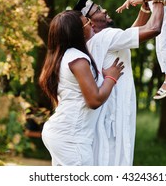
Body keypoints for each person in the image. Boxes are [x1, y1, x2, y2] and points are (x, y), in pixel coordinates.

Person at [73, 0, 164, 165]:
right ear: (90, 22)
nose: (104, 10)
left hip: (106, 118)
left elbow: (128, 37)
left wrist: (144, 9)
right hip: (113, 121)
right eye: (98, 10)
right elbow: (154, 28)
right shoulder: (107, 37)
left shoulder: (95, 42)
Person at [38, 10, 124, 166]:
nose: (91, 24)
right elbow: (94, 100)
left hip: (61, 133)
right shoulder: (78, 59)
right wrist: (111, 77)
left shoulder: (63, 56)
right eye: (87, 22)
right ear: (77, 32)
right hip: (71, 138)